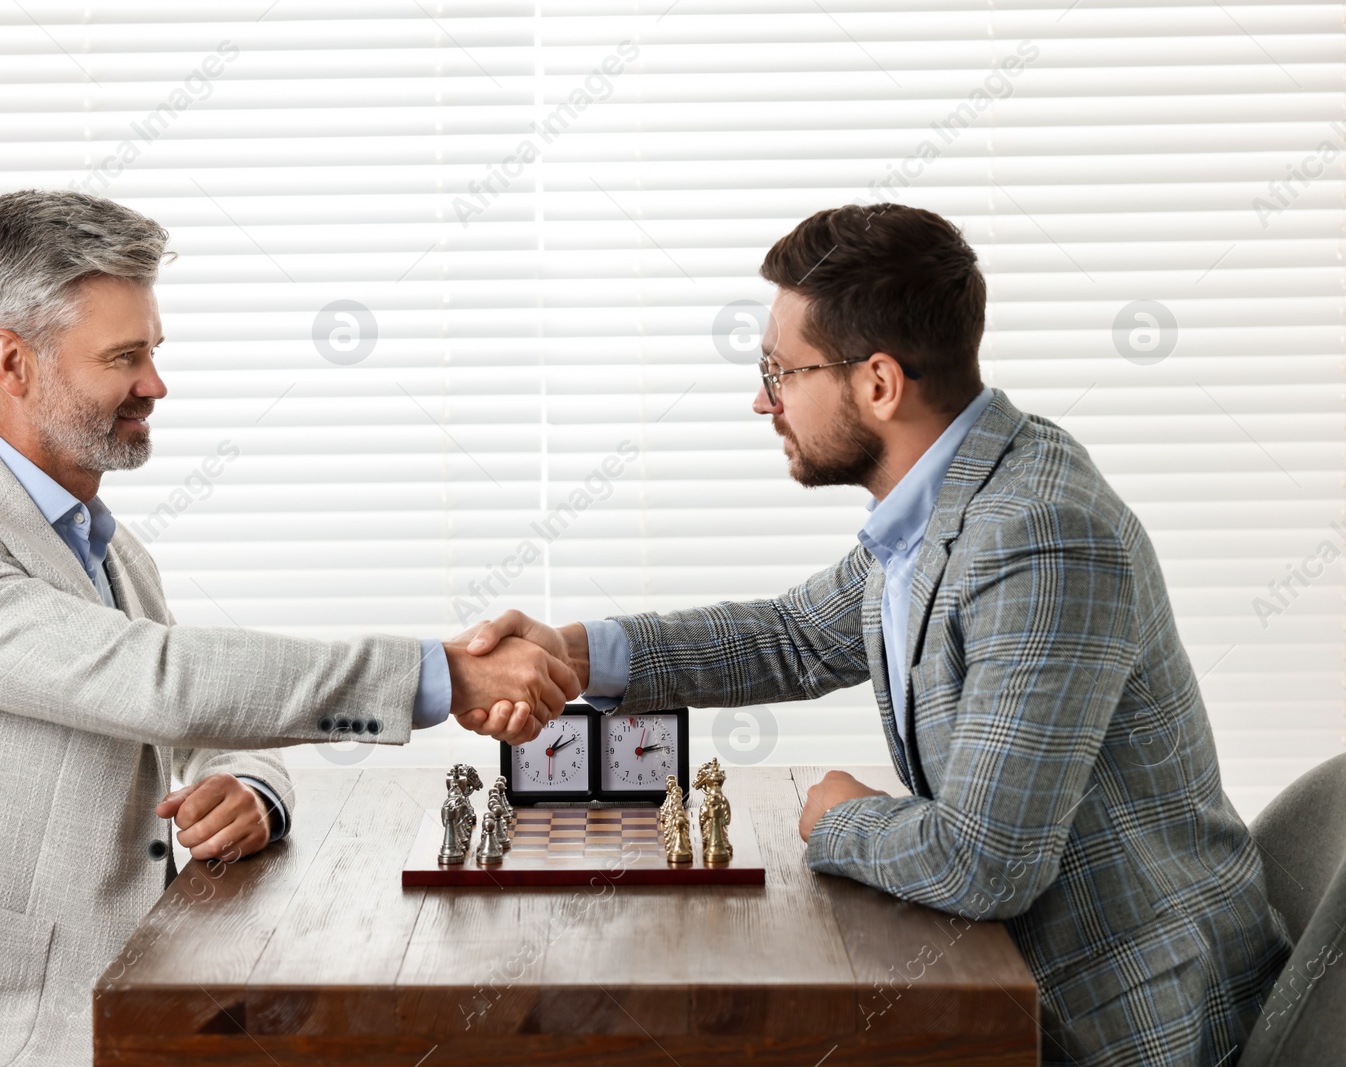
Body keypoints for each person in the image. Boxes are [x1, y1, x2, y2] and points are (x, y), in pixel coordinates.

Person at [464, 204, 1292, 1066]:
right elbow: (789, 636)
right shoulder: (950, 503)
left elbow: (986, 861)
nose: (760, 399)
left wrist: (840, 817)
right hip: (1020, 987)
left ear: (880, 384)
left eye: (779, 370)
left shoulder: (1041, 536)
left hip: (1136, 1030)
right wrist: (571, 651)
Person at [0, 189, 574, 1067]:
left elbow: (189, 723)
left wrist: (248, 789)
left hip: (106, 996)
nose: (155, 384)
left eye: (153, 351)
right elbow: (156, 680)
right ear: (11, 362)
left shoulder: (110, 551)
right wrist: (441, 674)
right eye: (125, 357)